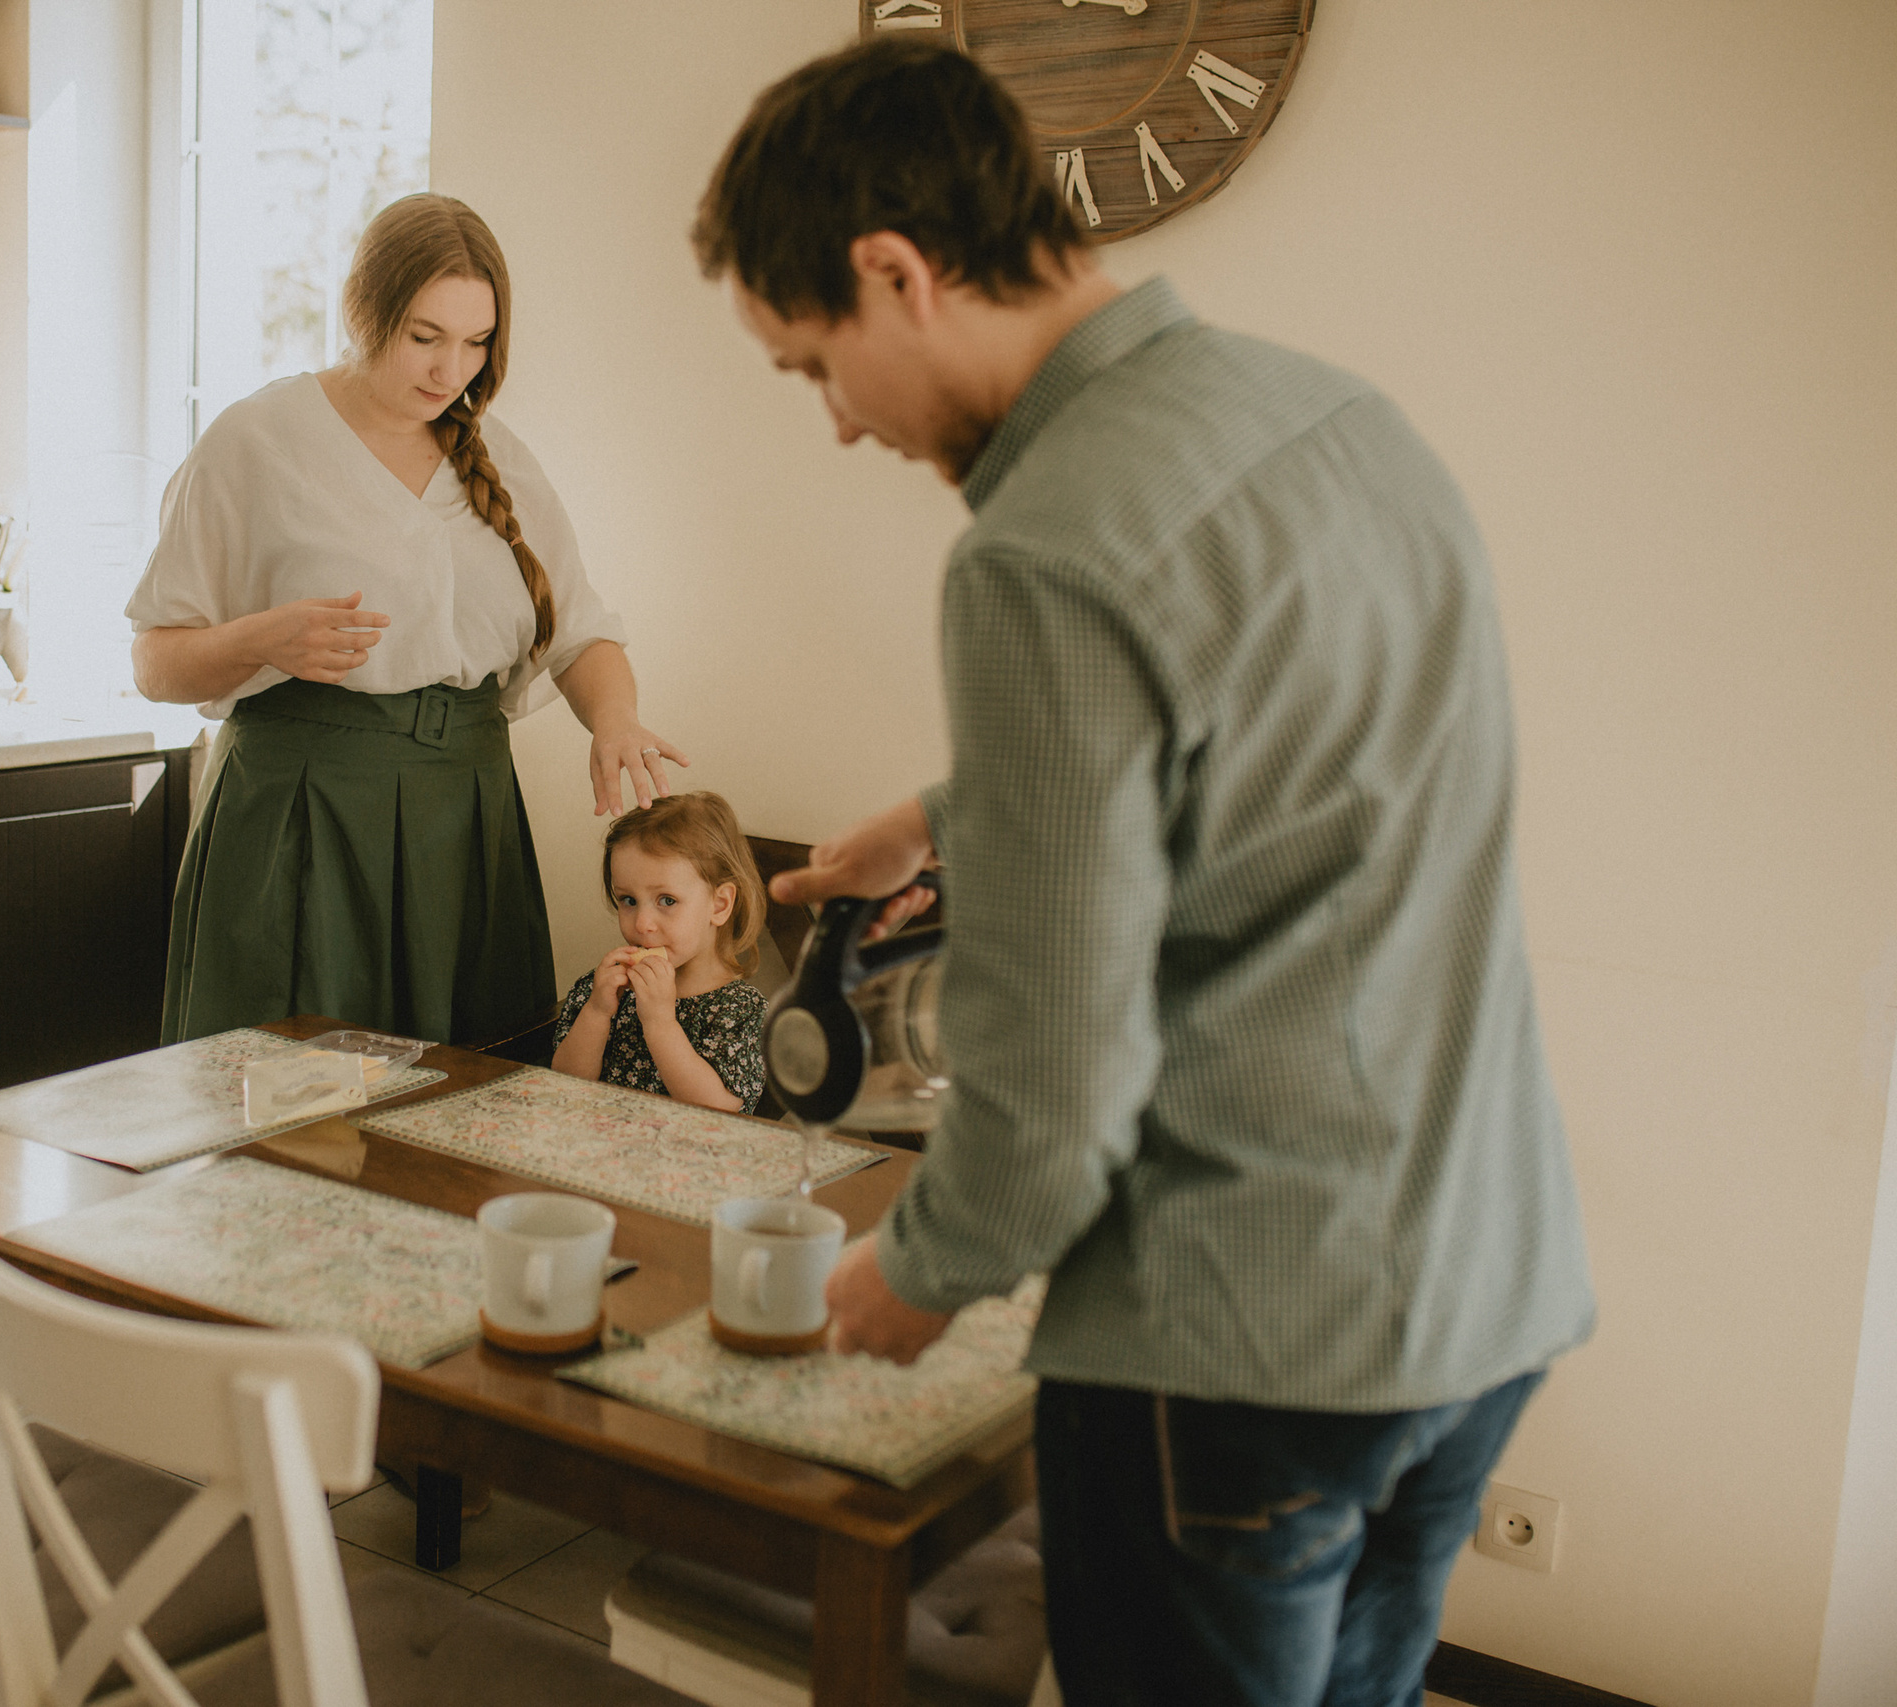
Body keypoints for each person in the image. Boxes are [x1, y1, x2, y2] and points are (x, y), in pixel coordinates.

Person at [693, 38, 1594, 1707]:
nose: (833, 424)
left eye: (812, 364)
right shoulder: (1336, 418)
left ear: (897, 275)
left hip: (1242, 1344)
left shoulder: (1038, 554)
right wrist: (947, 816)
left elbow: (1052, 1104)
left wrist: (919, 1269)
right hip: (1480, 1283)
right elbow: (1282, 755)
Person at [129, 194, 686, 1046]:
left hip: (463, 820)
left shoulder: (501, 458)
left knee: (467, 1112)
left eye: (476, 342)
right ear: (363, 310)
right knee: (291, 1111)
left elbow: (580, 631)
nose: (449, 369)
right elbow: (154, 661)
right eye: (425, 337)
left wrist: (614, 719)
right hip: (301, 813)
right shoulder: (254, 443)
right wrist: (259, 640)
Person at [550, 791, 768, 1114]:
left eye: (666, 900)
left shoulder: (741, 1013)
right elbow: (564, 1084)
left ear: (719, 905)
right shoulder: (604, 990)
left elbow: (720, 1113)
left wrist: (660, 1024)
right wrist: (597, 1012)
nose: (642, 923)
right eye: (628, 900)